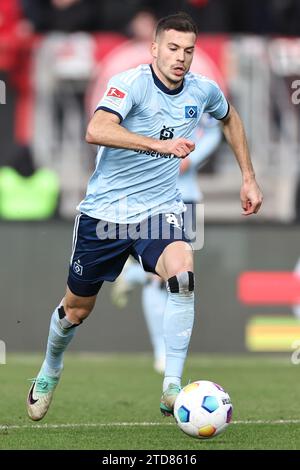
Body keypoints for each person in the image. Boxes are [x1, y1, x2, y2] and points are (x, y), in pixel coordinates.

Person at [27, 12, 262, 421]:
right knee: (76, 310)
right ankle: (50, 368)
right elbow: (96, 129)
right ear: (154, 48)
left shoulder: (201, 90)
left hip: (159, 209)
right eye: (172, 48)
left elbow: (229, 118)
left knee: (183, 273)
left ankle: (172, 386)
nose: (180, 58)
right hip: (106, 214)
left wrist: (248, 177)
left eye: (188, 51)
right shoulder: (129, 84)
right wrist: (156, 145)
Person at [111, 114, 222, 374]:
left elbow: (216, 131)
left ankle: (132, 274)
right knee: (157, 278)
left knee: (181, 275)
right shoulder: (139, 94)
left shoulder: (196, 94)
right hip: (152, 200)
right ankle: (161, 353)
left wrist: (191, 159)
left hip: (188, 198)